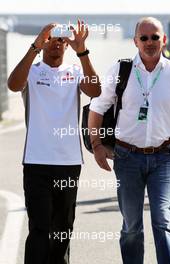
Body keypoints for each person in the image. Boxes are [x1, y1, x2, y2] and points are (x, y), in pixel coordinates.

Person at [8, 20, 100, 264]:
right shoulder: (33, 70)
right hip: (36, 163)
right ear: (43, 42)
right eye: (51, 38)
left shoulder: (75, 71)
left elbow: (95, 91)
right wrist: (35, 46)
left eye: (61, 39)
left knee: (62, 229)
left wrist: (82, 51)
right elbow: (13, 84)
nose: (56, 43)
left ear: (67, 45)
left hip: (69, 163)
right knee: (39, 228)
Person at [88, 17, 170, 264]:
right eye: (144, 38)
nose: (150, 42)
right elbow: (97, 107)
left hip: (166, 158)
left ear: (163, 40)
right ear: (135, 40)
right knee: (132, 227)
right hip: (127, 159)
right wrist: (96, 146)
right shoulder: (120, 70)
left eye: (155, 37)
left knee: (163, 220)